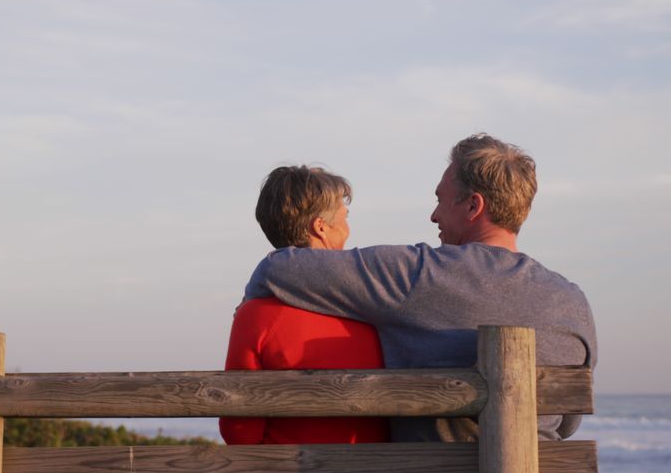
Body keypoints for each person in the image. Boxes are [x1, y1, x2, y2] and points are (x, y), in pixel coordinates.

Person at [243, 134, 597, 455]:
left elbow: (280, 268)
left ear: (474, 206)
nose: (433, 215)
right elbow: (567, 422)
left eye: (441, 200)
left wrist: (251, 310)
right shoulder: (573, 303)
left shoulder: (420, 275)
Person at [220, 166, 389, 473]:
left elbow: (239, 430)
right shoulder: (373, 310)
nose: (348, 229)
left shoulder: (255, 315)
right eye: (345, 216)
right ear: (321, 227)